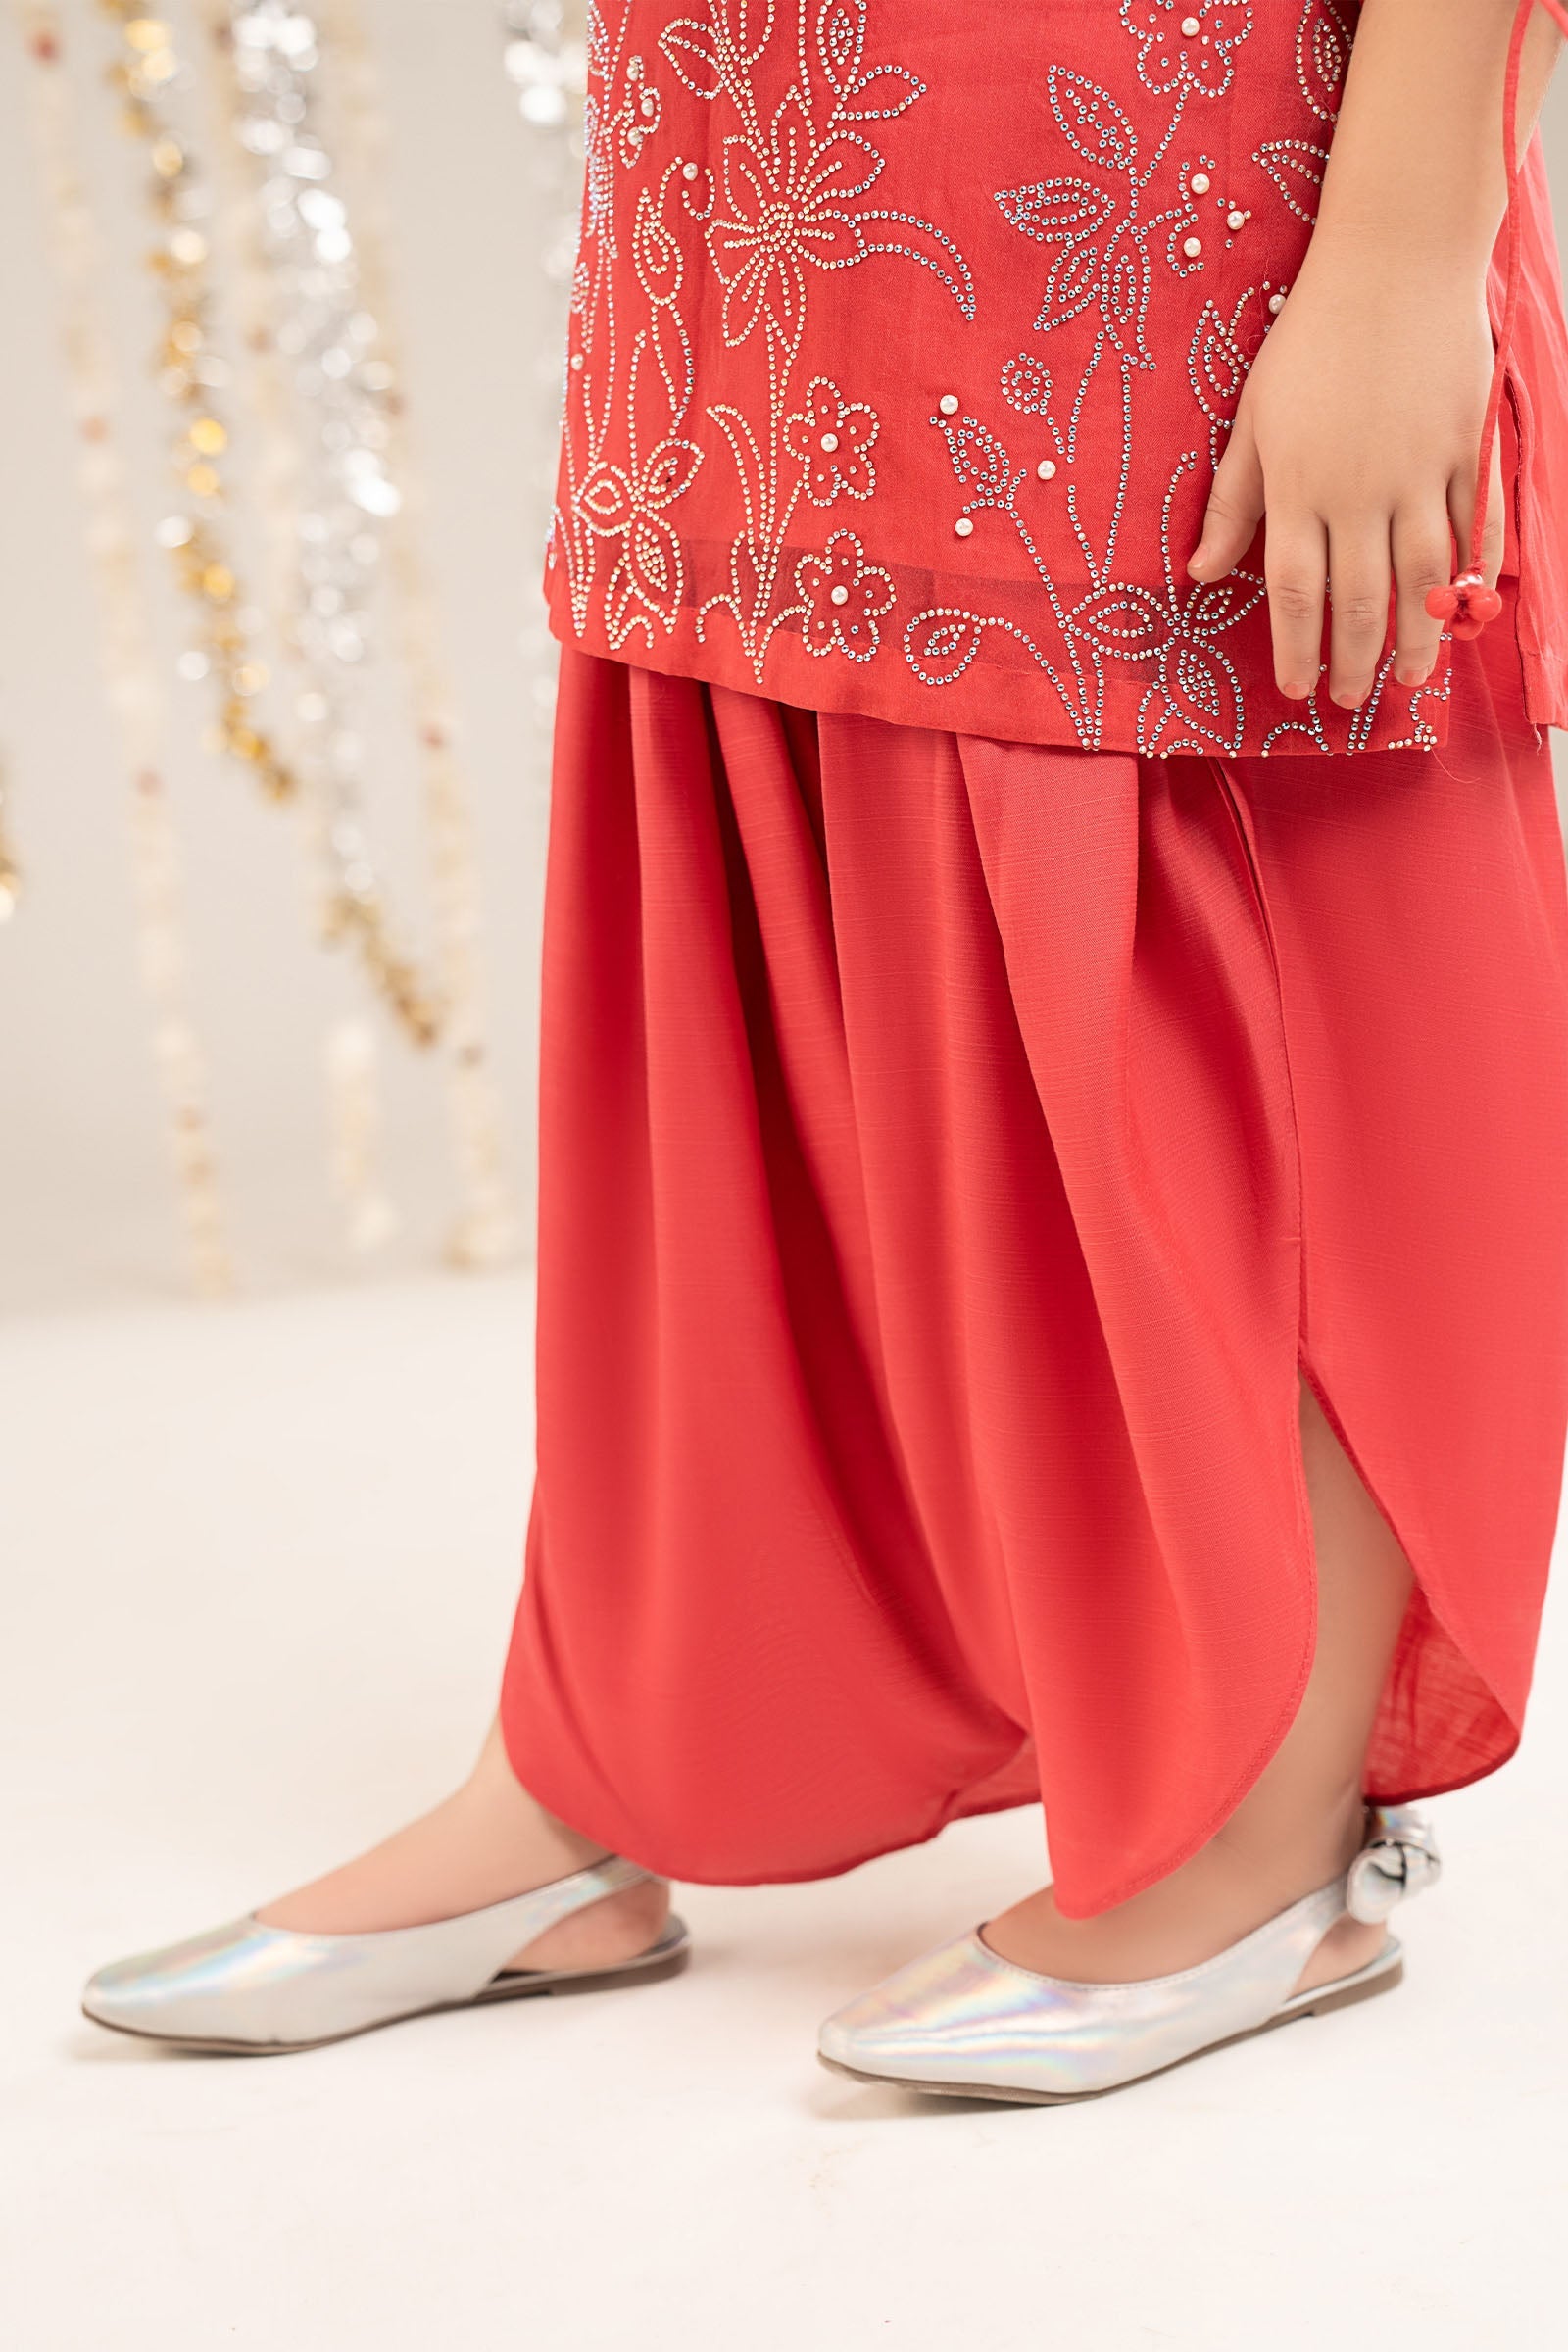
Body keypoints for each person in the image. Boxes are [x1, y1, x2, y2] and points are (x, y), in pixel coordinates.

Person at [82, 0, 1568, 2103]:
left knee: (1246, 858)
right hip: (748, 128)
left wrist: (1405, 253)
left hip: (1172, 129)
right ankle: (604, 1757)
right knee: (744, 848)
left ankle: (1263, 1834)